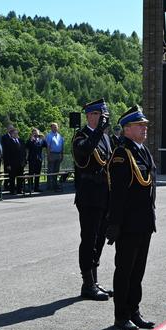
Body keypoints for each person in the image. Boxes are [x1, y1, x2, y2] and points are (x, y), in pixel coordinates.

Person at [105, 106, 157, 330]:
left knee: (138, 271)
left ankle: (134, 310)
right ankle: (121, 315)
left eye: (145, 126)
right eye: (140, 126)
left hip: (144, 222)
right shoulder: (121, 154)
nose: (144, 129)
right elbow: (117, 194)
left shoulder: (142, 150)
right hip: (128, 224)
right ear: (127, 128)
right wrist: (114, 224)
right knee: (125, 270)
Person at [72, 98, 114, 301]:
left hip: (104, 196)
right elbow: (85, 150)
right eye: (99, 114)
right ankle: (87, 283)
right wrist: (99, 131)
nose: (103, 118)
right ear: (89, 115)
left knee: (99, 239)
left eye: (104, 114)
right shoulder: (80, 136)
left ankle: (94, 281)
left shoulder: (105, 137)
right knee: (88, 239)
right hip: (88, 198)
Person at [1, 128, 26, 195]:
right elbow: (6, 154)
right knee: (12, 178)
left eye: (17, 133)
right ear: (11, 134)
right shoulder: (8, 142)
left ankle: (19, 190)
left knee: (20, 178)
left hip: (20, 163)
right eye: (14, 133)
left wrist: (24, 161)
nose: (16, 134)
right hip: (12, 163)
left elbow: (24, 152)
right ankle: (12, 191)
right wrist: (8, 164)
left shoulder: (21, 141)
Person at [26, 128, 47, 192]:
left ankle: (36, 187)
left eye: (36, 132)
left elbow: (46, 145)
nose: (35, 134)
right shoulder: (30, 140)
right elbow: (27, 146)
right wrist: (31, 140)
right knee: (31, 173)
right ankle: (30, 187)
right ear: (32, 133)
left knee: (37, 174)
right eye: (34, 132)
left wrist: (44, 138)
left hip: (39, 159)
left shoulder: (41, 140)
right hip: (32, 159)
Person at [45, 122, 64, 191]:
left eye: (56, 127)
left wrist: (62, 155)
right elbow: (48, 147)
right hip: (52, 154)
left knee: (56, 171)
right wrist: (48, 156)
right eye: (53, 127)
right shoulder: (49, 136)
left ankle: (55, 184)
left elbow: (62, 146)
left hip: (58, 154)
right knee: (51, 171)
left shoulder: (60, 136)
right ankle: (49, 186)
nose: (55, 128)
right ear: (51, 128)